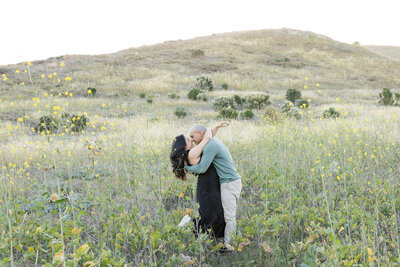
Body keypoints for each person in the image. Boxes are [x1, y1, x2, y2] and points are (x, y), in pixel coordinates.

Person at [184, 124, 241, 253]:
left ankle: (229, 246)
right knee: (225, 213)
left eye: (193, 136)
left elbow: (201, 168)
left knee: (229, 216)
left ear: (200, 134)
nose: (191, 140)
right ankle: (224, 241)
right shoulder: (209, 142)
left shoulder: (211, 145)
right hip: (226, 182)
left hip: (230, 183)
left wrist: (185, 168)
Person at [170, 122, 229, 239]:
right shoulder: (191, 153)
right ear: (183, 145)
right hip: (207, 186)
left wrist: (215, 128)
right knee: (211, 215)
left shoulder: (191, 152)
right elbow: (206, 139)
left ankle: (207, 234)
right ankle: (189, 227)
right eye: (188, 139)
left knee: (213, 213)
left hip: (208, 183)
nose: (191, 141)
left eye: (191, 138)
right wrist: (208, 133)